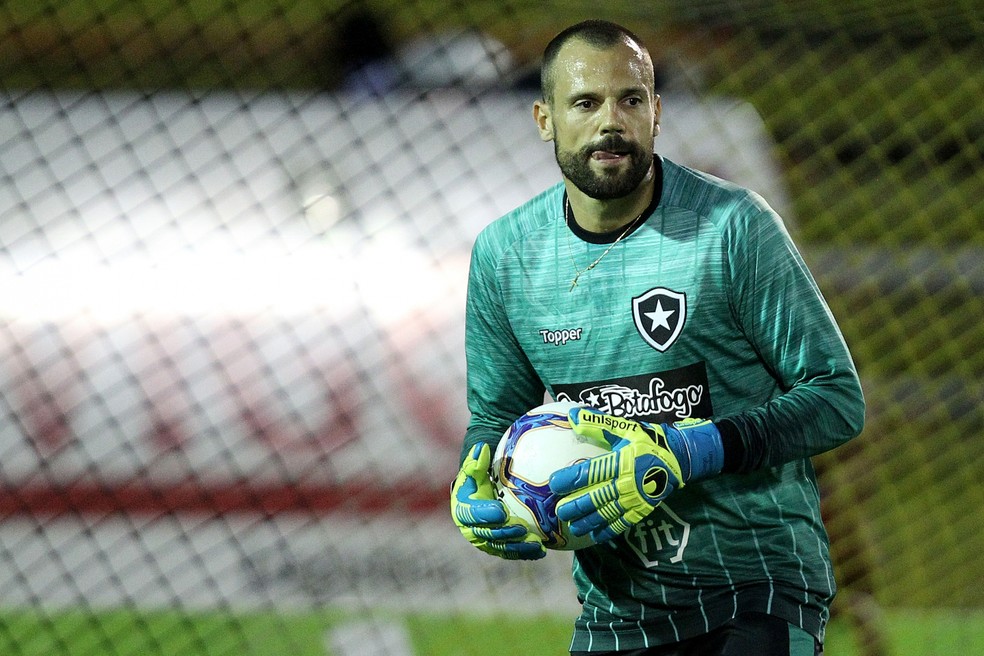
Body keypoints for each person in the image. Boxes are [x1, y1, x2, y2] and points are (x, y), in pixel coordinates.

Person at [451, 19, 865, 656]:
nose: (610, 121)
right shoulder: (506, 257)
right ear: (543, 118)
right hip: (618, 607)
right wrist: (475, 485)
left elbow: (837, 398)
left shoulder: (732, 227)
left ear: (657, 112)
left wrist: (691, 450)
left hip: (753, 586)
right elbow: (496, 418)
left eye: (631, 100)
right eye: (585, 103)